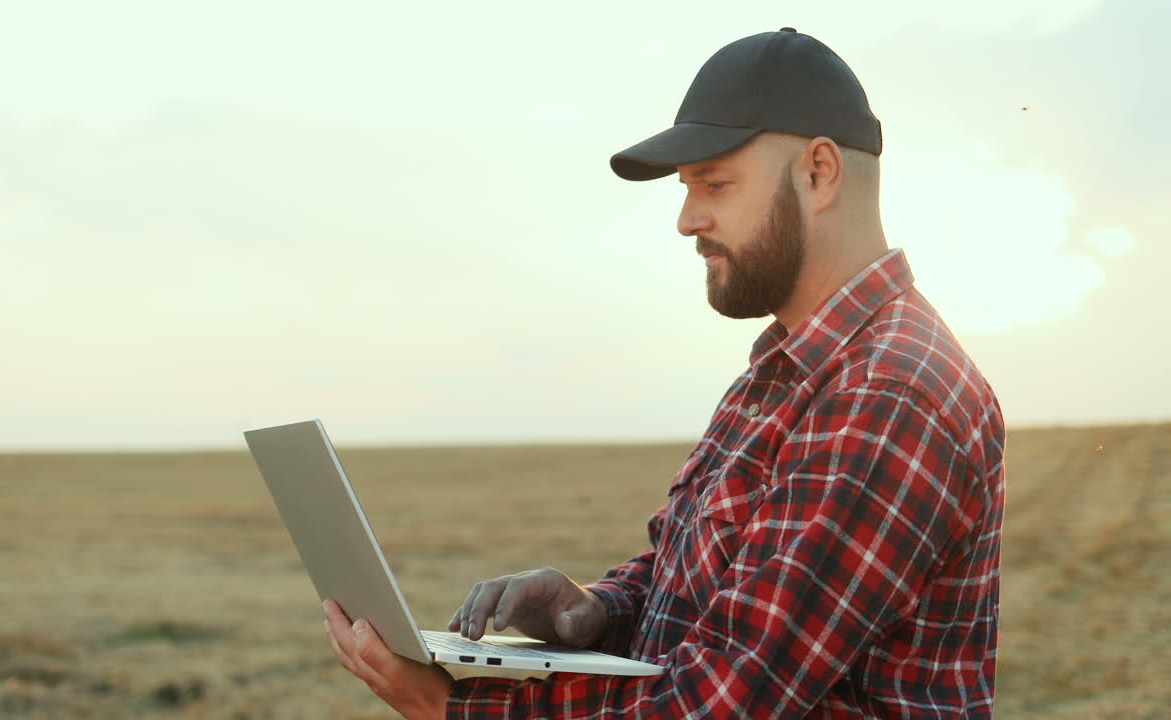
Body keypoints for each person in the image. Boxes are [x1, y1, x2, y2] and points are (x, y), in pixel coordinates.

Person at [321, 27, 1006, 719]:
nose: (686, 219)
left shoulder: (888, 392)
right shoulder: (783, 373)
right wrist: (591, 612)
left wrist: (450, 709)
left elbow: (721, 698)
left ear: (820, 173)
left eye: (715, 183)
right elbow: (700, 591)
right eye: (686, 188)